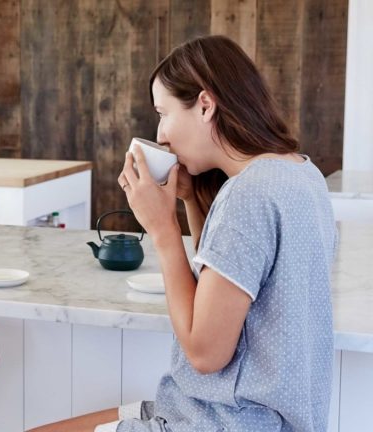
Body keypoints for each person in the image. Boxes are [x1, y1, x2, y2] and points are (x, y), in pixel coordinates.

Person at [29, 35, 337, 432]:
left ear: (206, 105)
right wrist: (191, 201)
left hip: (221, 422)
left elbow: (206, 353)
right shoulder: (302, 174)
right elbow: (228, 281)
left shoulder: (248, 195)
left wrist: (162, 230)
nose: (160, 136)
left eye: (164, 113)